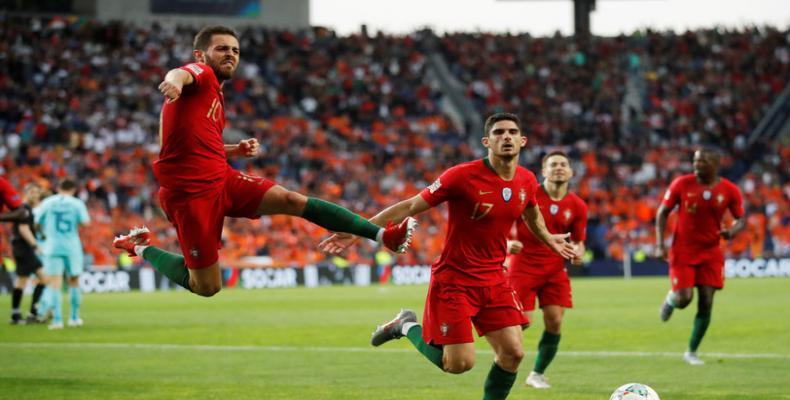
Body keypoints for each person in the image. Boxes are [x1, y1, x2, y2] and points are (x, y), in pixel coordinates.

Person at [112, 25, 415, 297]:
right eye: (222, 49)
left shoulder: (215, 94)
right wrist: (173, 82)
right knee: (206, 286)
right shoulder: (200, 77)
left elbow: (194, 145)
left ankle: (383, 235)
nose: (230, 54)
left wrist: (235, 150)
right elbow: (180, 72)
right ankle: (139, 246)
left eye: (235, 50)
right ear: (200, 55)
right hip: (191, 194)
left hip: (222, 177)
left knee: (291, 199)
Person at [320, 113, 576, 400]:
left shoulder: (527, 180)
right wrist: (359, 231)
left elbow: (533, 215)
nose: (506, 137)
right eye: (499, 132)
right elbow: (410, 206)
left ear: (522, 140)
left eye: (512, 132)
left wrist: (549, 238)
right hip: (455, 280)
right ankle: (405, 325)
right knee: (458, 364)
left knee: (513, 353)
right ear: (486, 141)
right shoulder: (461, 176)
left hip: (494, 280)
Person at [505, 150, 587, 389]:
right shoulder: (527, 194)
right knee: (522, 322)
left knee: (554, 322)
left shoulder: (578, 206)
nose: (559, 168)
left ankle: (537, 374)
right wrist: (508, 243)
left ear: (571, 172)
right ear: (544, 171)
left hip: (554, 269)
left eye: (563, 164)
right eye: (553, 165)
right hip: (523, 266)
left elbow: (579, 239)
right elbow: (502, 222)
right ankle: (505, 361)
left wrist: (578, 251)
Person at [655, 148, 745, 365]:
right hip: (683, 250)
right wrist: (659, 244)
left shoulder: (730, 190)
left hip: (711, 252)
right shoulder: (681, 184)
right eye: (695, 161)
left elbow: (740, 219)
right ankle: (671, 299)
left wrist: (731, 232)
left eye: (703, 161)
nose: (697, 164)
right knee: (684, 299)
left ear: (715, 163)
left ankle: (691, 352)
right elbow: (662, 212)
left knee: (706, 301)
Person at [34, 178, 91, 330]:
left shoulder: (48, 202)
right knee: (74, 281)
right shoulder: (77, 203)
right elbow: (85, 222)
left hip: (52, 246)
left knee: (55, 284)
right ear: (73, 189)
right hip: (72, 246)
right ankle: (74, 318)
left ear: (58, 187)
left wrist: (44, 233)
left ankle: (57, 320)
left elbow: (37, 221)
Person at [9, 183, 47, 325]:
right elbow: (24, 229)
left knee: (22, 280)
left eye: (36, 193)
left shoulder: (26, 209)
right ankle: (32, 312)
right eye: (31, 192)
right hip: (24, 248)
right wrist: (35, 245)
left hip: (21, 248)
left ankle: (16, 314)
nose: (34, 195)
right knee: (43, 278)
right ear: (25, 193)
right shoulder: (24, 208)